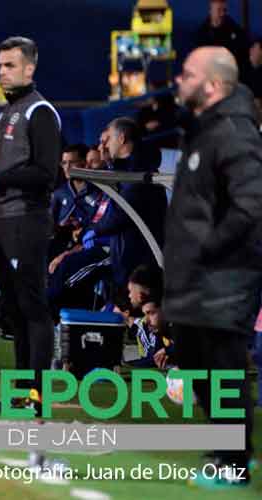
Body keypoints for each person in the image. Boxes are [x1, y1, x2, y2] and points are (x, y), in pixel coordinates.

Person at [164, 46, 262, 488]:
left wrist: (209, 247)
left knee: (221, 365)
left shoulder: (235, 133)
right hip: (195, 275)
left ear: (213, 84)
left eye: (187, 74)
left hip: (227, 273)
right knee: (192, 358)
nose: (178, 80)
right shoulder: (203, 128)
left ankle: (234, 460)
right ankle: (229, 448)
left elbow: (251, 204)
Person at [0, 36, 61, 418]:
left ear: (30, 68)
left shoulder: (39, 112)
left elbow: (46, 173)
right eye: (0, 65)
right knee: (15, 313)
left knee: (32, 309)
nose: (2, 72)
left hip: (27, 220)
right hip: (4, 220)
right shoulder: (9, 112)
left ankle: (37, 397)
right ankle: (23, 394)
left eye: (10, 65)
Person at [80, 117, 167, 293]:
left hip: (139, 255)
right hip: (126, 251)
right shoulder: (124, 169)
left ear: (121, 139)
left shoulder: (138, 171)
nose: (105, 146)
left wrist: (96, 230)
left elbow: (122, 212)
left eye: (109, 139)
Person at [196, 0, 251, 85]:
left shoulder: (236, 31)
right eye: (219, 10)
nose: (222, 14)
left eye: (224, 10)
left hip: (232, 80)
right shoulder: (201, 34)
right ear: (210, 10)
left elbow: (243, 59)